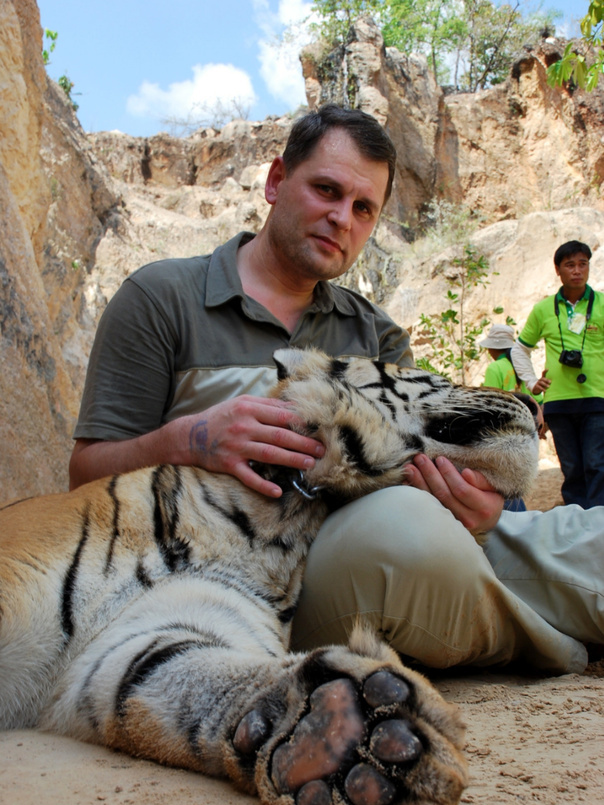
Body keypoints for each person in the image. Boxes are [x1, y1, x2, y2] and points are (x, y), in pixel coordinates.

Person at [69, 105, 604, 676]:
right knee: (410, 538)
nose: (341, 218)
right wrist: (190, 439)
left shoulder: (377, 332)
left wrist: (480, 507)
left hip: (399, 532)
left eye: (363, 208)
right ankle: (548, 642)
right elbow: (84, 478)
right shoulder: (160, 298)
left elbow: (427, 472)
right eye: (326, 190)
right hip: (245, 579)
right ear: (276, 181)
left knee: (578, 535)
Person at [511, 241, 604, 508]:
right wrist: (531, 381)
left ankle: (598, 527)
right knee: (572, 469)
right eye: (570, 265)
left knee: (598, 465)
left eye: (583, 264)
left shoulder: (602, 304)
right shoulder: (544, 309)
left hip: (598, 398)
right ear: (558, 270)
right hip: (559, 402)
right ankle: (579, 525)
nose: (577, 270)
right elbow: (520, 350)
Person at [479, 323, 545, 512]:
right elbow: (537, 397)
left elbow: (488, 403)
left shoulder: (495, 368)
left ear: (493, 348)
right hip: (527, 433)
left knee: (502, 486)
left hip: (503, 435)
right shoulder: (522, 365)